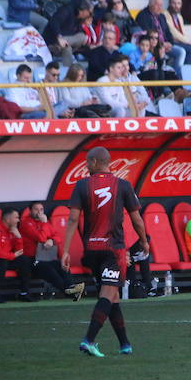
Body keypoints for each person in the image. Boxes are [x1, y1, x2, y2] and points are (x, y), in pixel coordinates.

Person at [61, 146, 149, 357]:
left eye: (86, 162)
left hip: (91, 250)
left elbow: (73, 218)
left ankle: (125, 344)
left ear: (93, 162)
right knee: (108, 294)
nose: (85, 166)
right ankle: (89, 340)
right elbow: (136, 219)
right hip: (113, 249)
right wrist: (144, 241)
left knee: (112, 295)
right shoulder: (123, 185)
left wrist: (65, 250)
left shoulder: (81, 185)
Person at [22, 201, 86, 300]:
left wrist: (52, 240)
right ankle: (69, 291)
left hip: (46, 257)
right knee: (49, 270)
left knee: (62, 265)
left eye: (41, 209)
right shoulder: (26, 223)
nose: (39, 212)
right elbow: (41, 238)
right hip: (33, 259)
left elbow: (58, 237)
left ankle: (72, 288)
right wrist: (44, 223)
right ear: (30, 211)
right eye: (36, 209)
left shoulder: (45, 222)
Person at [162, 0, 191, 72]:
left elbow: (182, 34)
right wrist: (188, 42)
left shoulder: (179, 17)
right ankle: (187, 75)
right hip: (171, 42)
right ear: (169, 3)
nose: (176, 6)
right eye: (174, 3)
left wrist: (190, 42)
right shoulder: (164, 14)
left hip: (180, 42)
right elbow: (173, 32)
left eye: (179, 3)